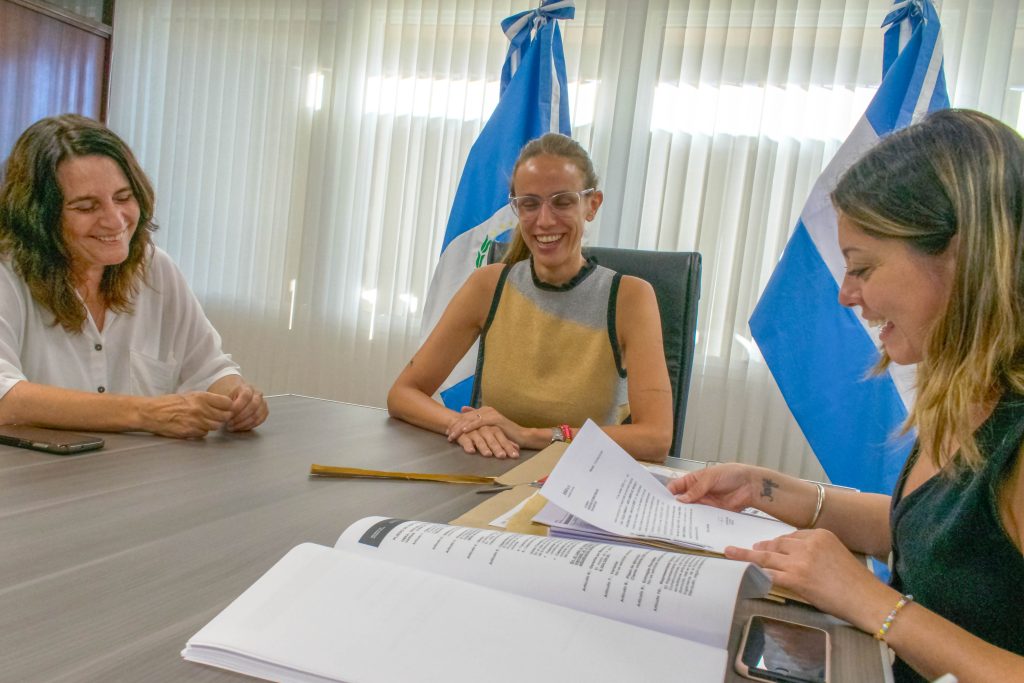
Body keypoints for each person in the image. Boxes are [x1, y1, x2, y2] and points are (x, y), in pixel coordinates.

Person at [668, 109, 1024, 682]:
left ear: (959, 257)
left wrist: (874, 605)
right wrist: (768, 488)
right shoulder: (968, 390)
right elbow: (946, 543)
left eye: (862, 267)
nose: (845, 294)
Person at [388, 133, 672, 462]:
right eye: (530, 204)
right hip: (492, 470)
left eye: (563, 201)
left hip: (584, 479)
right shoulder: (488, 285)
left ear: (591, 205)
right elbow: (403, 393)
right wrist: (467, 423)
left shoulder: (630, 297)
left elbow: (655, 438)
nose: (544, 220)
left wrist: (532, 436)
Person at [0, 114, 268, 438]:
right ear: (37, 218)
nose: (115, 221)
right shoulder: (7, 274)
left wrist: (238, 398)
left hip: (138, 479)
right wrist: (145, 413)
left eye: (124, 198)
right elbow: (6, 398)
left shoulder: (155, 268)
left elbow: (209, 369)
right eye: (86, 207)